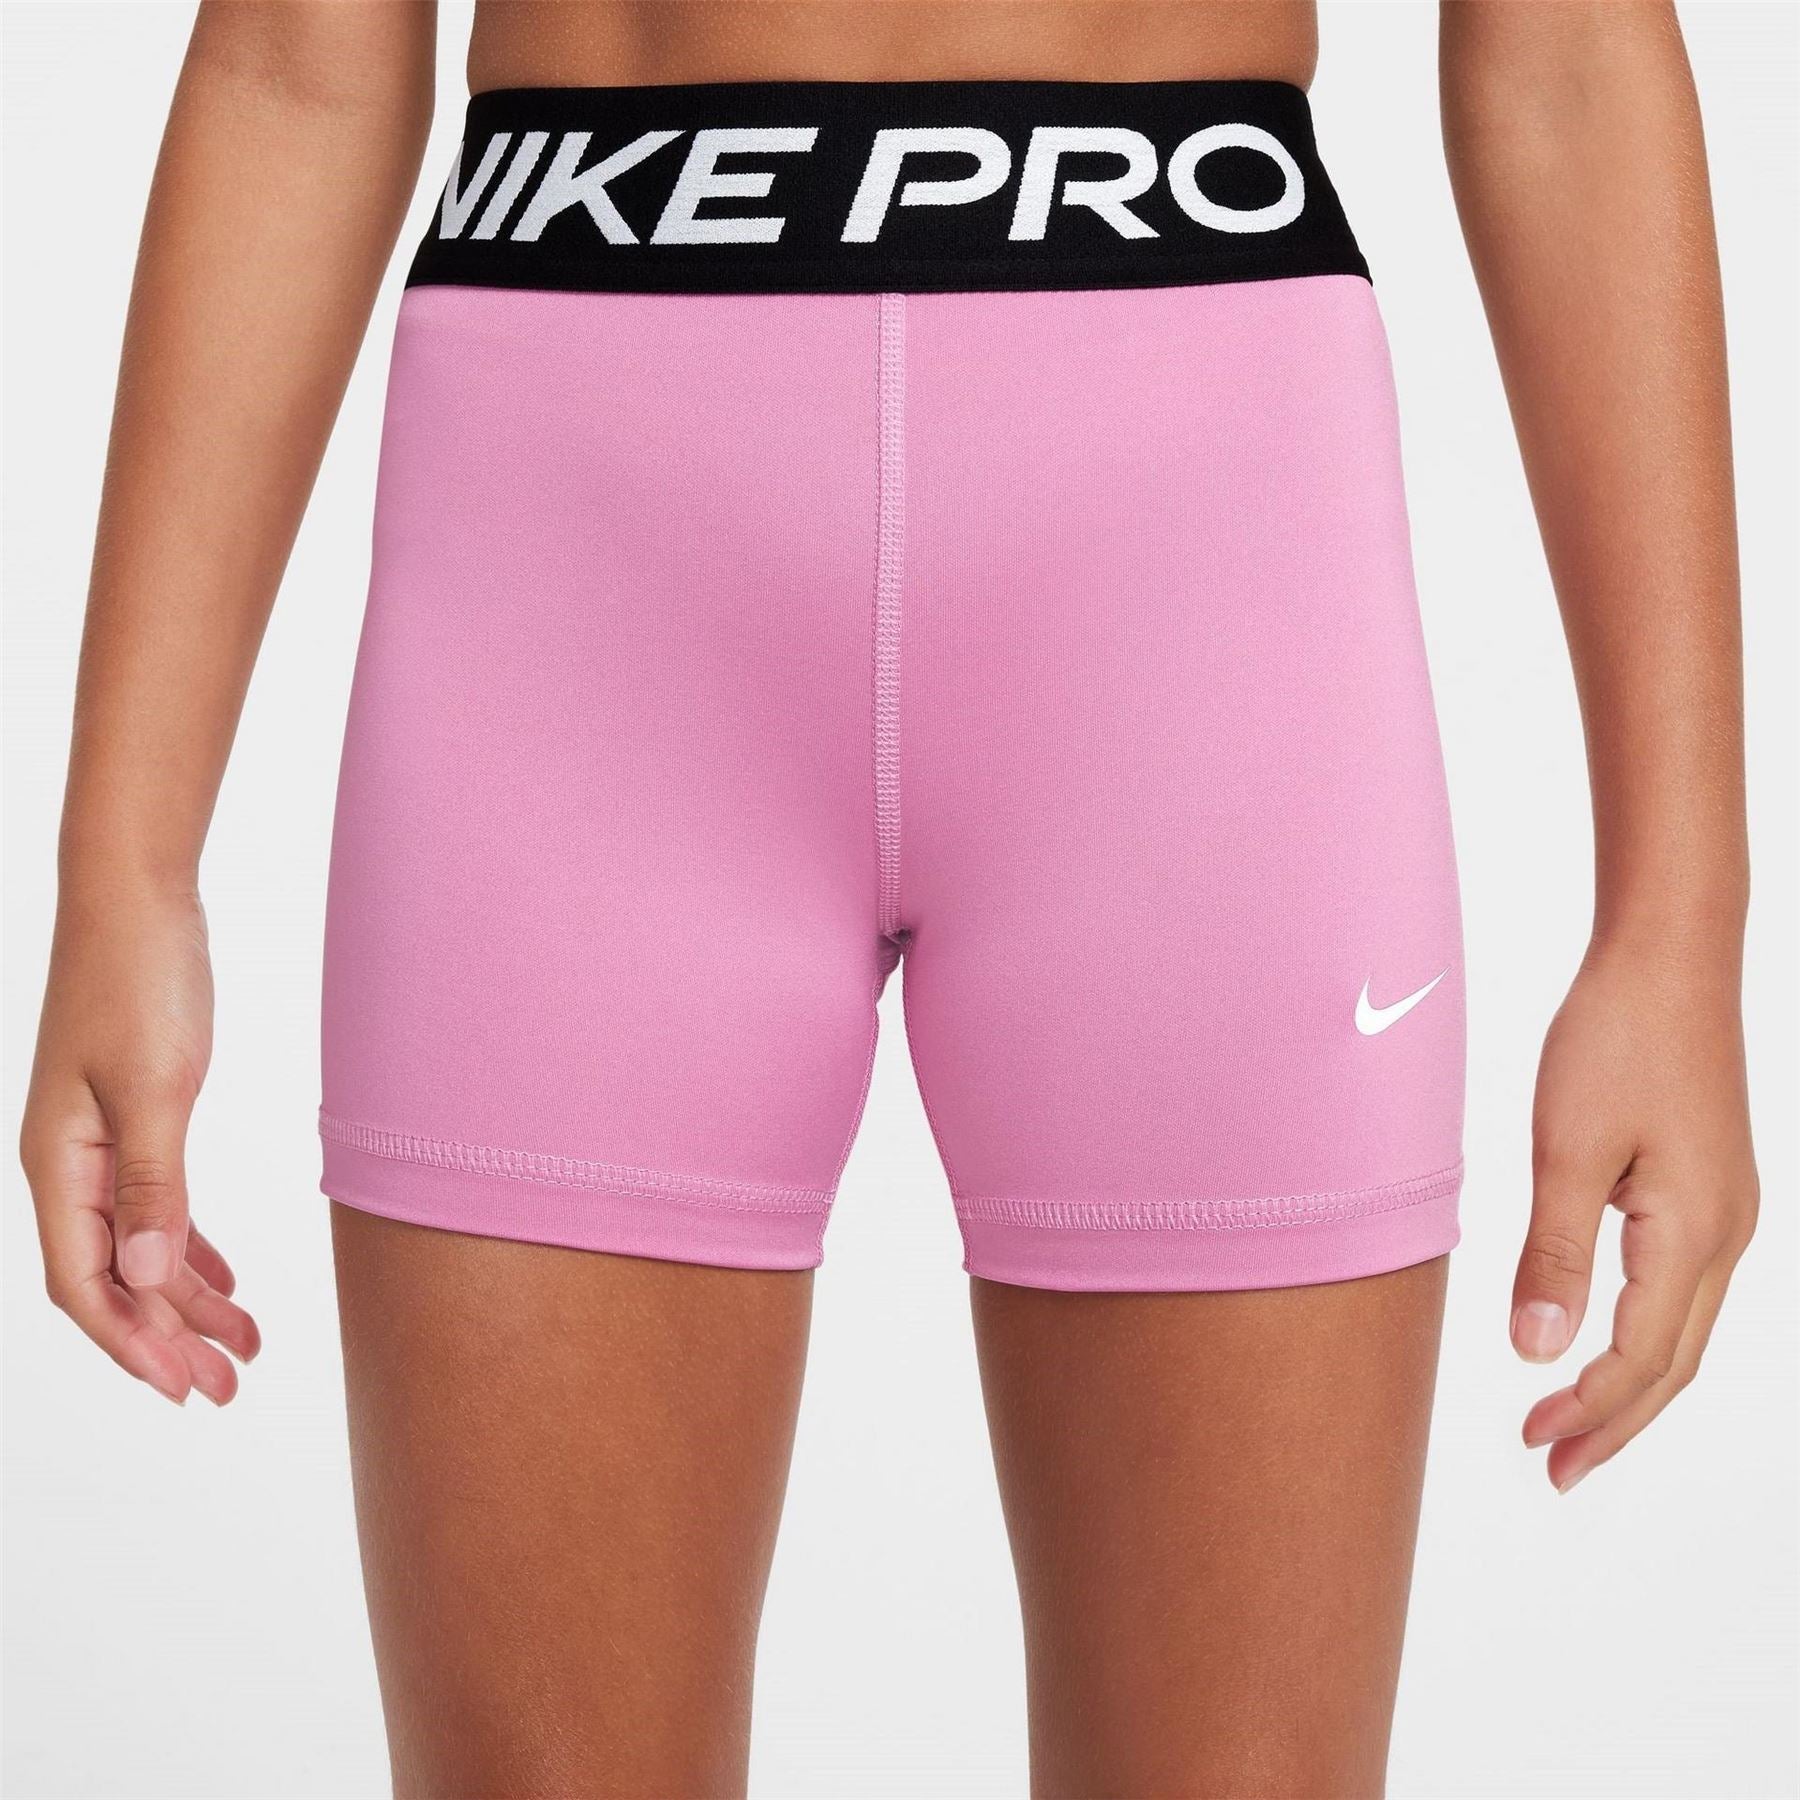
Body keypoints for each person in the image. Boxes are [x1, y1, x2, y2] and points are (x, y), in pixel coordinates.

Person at [19, 3, 1760, 1794]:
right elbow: (295, 62)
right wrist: (122, 871)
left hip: (1196, 584)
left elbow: (1565, 53)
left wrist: (1678, 927)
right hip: (575, 607)